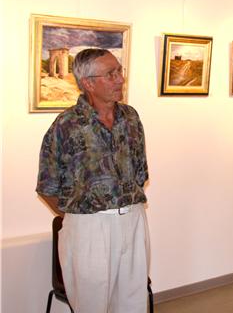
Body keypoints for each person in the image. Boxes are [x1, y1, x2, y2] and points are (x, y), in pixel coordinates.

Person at [36, 48, 150, 313]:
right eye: (110, 74)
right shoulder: (65, 125)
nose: (120, 79)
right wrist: (81, 218)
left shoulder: (131, 118)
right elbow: (47, 185)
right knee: (91, 305)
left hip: (133, 220)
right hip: (89, 229)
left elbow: (141, 172)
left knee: (133, 302)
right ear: (88, 83)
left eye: (119, 71)